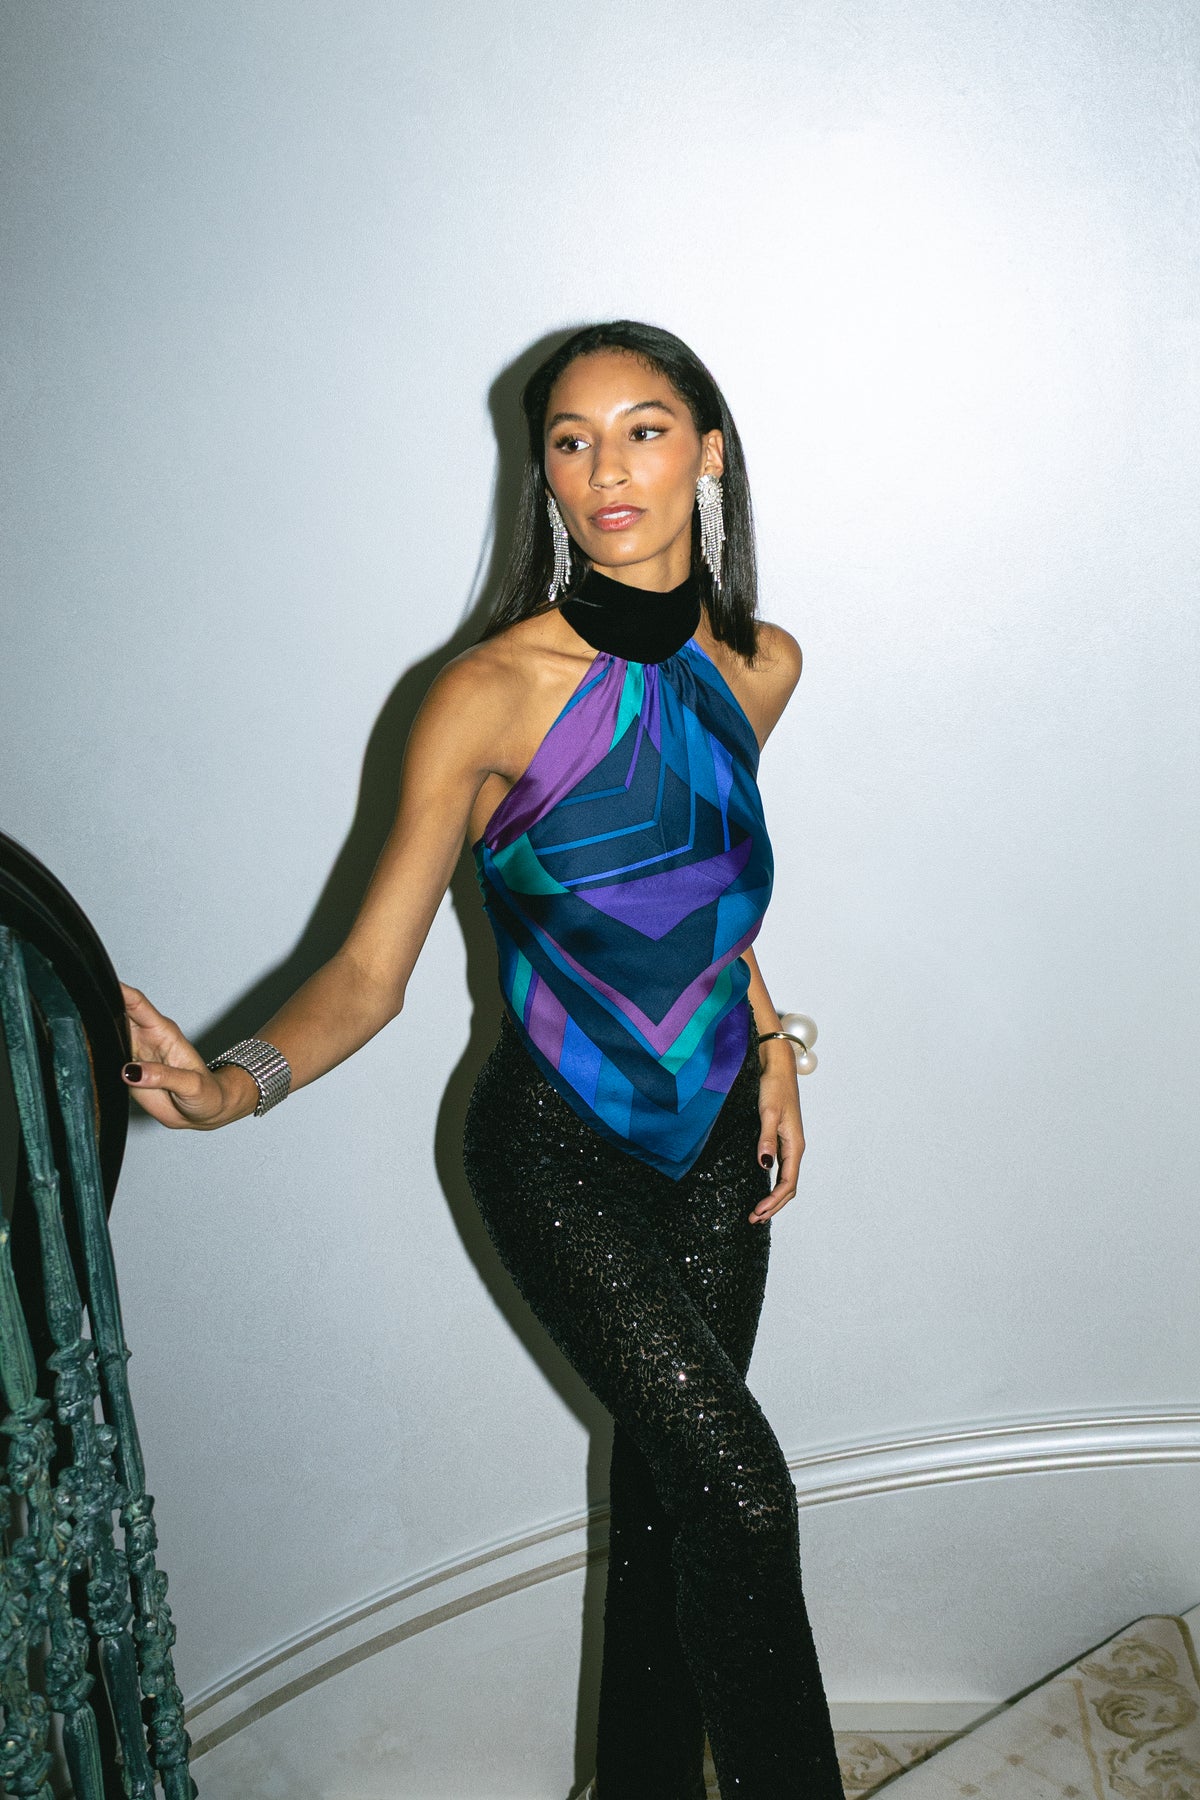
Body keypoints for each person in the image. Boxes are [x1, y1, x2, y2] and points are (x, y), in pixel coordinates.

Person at [118, 320, 845, 1800]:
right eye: (572, 442)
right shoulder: (488, 692)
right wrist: (231, 1086)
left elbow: (696, 889)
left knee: (675, 1514)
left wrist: (770, 1035)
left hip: (719, 1149)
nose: (607, 468)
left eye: (643, 430)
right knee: (745, 1498)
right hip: (554, 1153)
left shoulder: (760, 667)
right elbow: (367, 977)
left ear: (709, 454)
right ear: (546, 477)